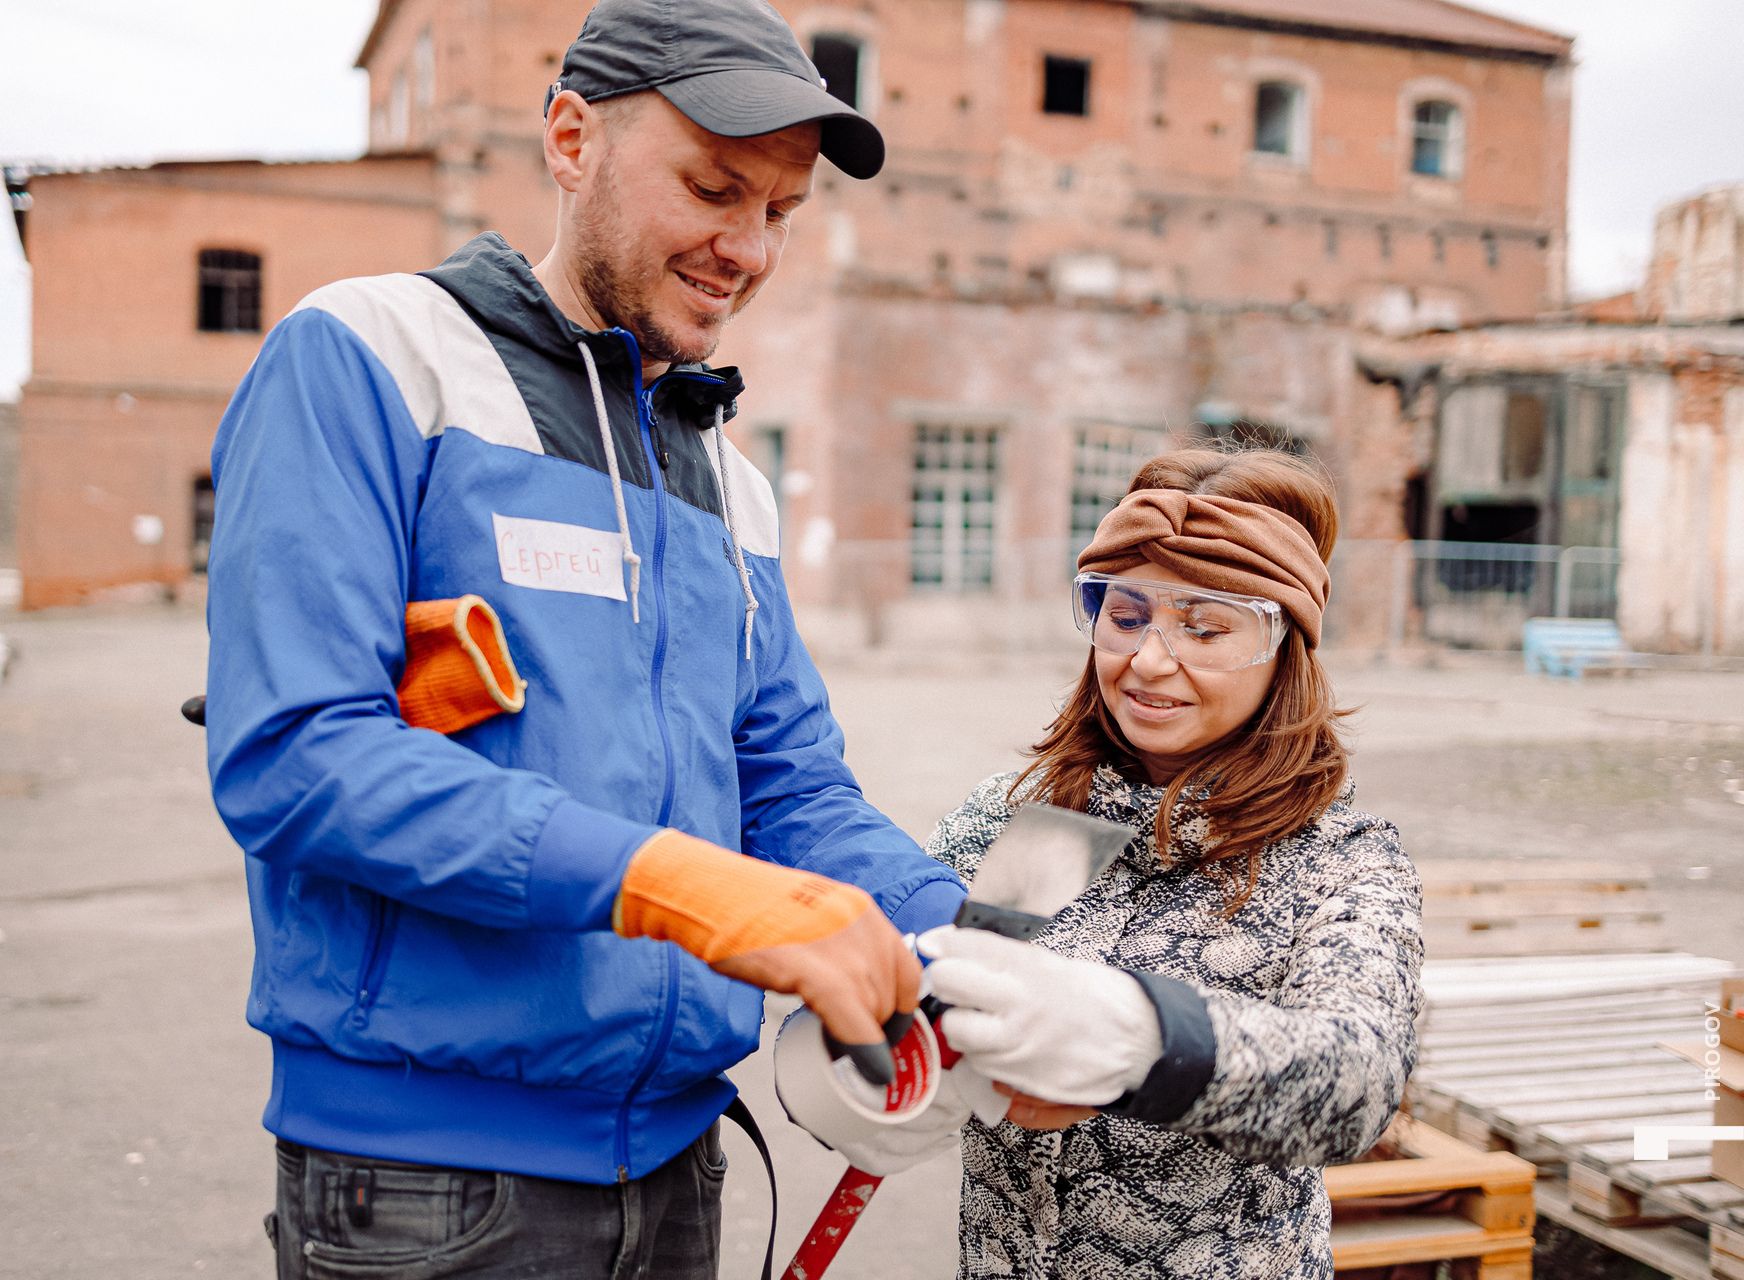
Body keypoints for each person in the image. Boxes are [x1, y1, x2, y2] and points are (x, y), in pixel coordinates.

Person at [200, 0, 966, 1273]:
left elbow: (788, 787)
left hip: (678, 1170)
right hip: (424, 1185)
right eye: (714, 188)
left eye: (780, 212)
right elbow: (296, 755)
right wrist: (689, 886)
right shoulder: (372, 359)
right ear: (570, 138)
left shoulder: (729, 479)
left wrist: (966, 951)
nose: (748, 248)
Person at [916, 449, 1424, 1278]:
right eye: (1126, 616)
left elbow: (1357, 1081)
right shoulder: (1035, 822)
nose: (1149, 660)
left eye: (1204, 627)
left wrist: (1141, 1043)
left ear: (1282, 649)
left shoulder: (1338, 859)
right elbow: (917, 970)